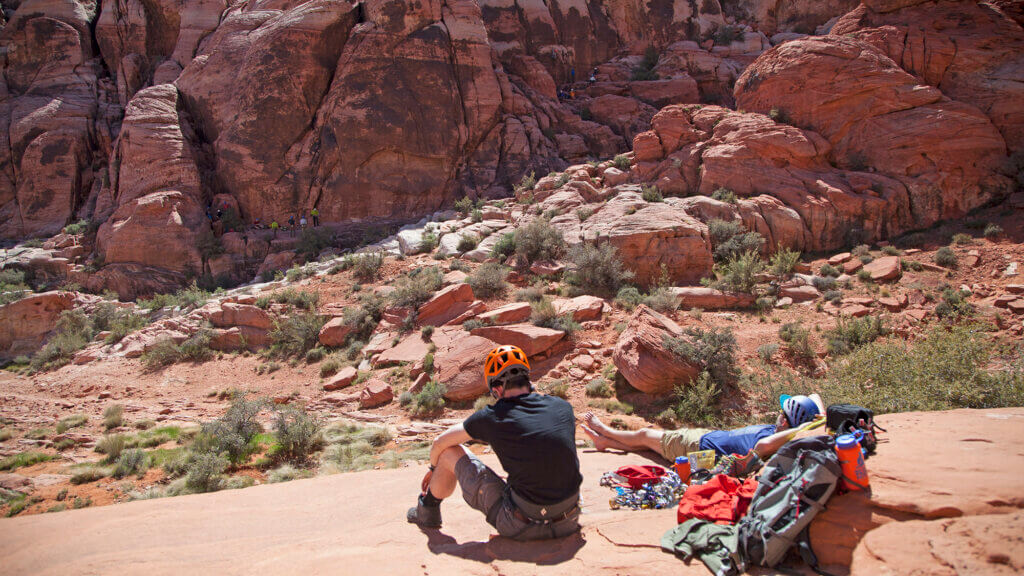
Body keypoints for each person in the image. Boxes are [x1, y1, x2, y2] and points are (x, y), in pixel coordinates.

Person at [407, 345, 582, 540]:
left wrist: (433, 468)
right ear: (527, 379)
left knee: (449, 452)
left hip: (520, 526)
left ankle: (427, 509)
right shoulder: (562, 407)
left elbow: (441, 442)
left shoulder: (494, 417)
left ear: (497, 389)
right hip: (568, 521)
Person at [581, 394, 825, 462]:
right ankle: (606, 443)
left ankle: (606, 432)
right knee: (650, 446)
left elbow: (761, 447)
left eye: (783, 415)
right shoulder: (783, 433)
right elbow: (815, 396)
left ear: (788, 422)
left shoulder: (777, 440)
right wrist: (817, 420)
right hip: (705, 439)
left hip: (698, 447)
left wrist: (797, 430)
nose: (778, 416)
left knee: (645, 435)